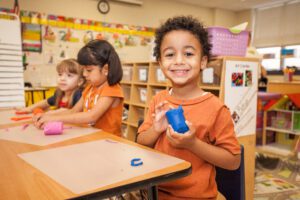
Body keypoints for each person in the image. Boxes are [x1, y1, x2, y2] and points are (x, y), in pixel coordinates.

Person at [137, 16, 241, 200]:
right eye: (170, 54)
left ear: (202, 62)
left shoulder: (216, 108)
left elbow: (233, 161)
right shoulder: (158, 100)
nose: (178, 61)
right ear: (160, 63)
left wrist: (193, 144)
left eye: (188, 54)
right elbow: (141, 142)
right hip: (154, 191)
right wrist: (156, 129)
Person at [33, 40, 124, 136]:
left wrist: (53, 118)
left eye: (89, 70)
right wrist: (46, 115)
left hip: (109, 141)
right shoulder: (90, 88)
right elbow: (74, 111)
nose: (84, 74)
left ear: (106, 69)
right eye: (83, 69)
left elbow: (91, 116)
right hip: (92, 137)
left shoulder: (112, 89)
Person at [17, 58, 85, 113]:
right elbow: (45, 102)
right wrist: (29, 109)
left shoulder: (78, 94)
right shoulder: (59, 93)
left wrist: (52, 113)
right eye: (60, 74)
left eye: (69, 75)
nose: (62, 78)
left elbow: (73, 112)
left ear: (80, 81)